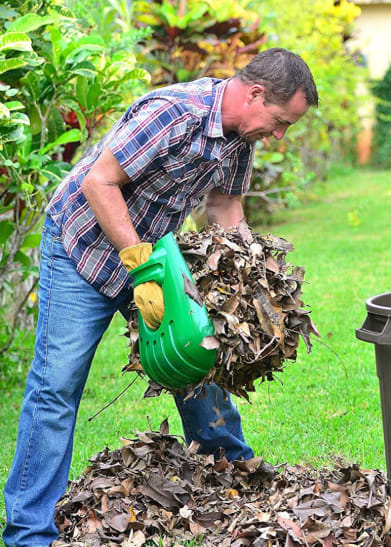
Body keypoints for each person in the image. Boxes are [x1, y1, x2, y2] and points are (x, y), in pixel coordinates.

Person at [3, 48, 318, 545]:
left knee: (200, 351)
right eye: (280, 122)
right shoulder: (175, 112)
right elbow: (98, 182)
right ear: (255, 94)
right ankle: (28, 532)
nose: (279, 135)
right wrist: (140, 267)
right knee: (57, 387)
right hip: (82, 248)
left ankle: (232, 472)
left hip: (153, 258)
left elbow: (225, 204)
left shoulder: (239, 137)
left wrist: (251, 275)